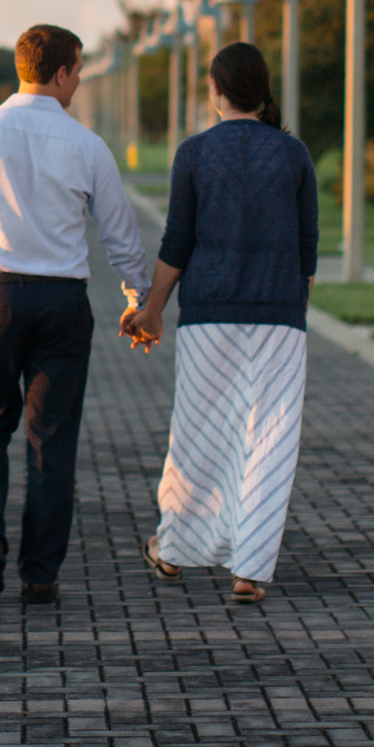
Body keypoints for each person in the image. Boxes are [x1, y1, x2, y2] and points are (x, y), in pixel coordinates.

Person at [0, 23, 151, 604]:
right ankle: (41, 572)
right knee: (51, 438)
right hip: (61, 303)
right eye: (78, 71)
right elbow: (121, 235)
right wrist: (137, 300)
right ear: (60, 73)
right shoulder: (87, 145)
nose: (79, 82)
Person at [119, 40, 317, 606]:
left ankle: (175, 547)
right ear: (263, 90)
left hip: (208, 315)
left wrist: (152, 308)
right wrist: (292, 309)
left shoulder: (195, 153)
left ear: (215, 92)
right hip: (279, 318)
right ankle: (249, 570)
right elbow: (308, 248)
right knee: (270, 440)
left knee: (200, 434)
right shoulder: (294, 154)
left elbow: (177, 241)